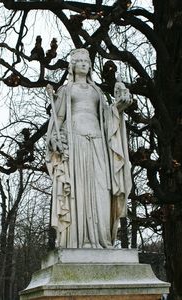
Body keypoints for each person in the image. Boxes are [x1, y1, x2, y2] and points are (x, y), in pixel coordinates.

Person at [46, 48, 132, 248]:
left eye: (87, 60)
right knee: (78, 191)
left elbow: (107, 118)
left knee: (102, 189)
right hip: (75, 145)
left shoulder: (97, 92)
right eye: (80, 61)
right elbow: (58, 119)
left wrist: (119, 106)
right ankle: (78, 241)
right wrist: (53, 139)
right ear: (73, 66)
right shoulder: (67, 91)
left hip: (98, 144)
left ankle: (102, 239)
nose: (84, 63)